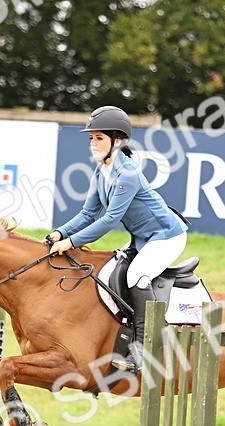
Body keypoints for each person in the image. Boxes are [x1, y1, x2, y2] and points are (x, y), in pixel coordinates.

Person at [47, 105, 188, 373]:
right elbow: (88, 213)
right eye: (92, 138)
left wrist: (70, 243)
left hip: (166, 236)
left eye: (99, 138)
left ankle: (145, 349)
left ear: (118, 140)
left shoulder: (128, 174)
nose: (93, 143)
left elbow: (110, 219)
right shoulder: (101, 171)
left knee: (136, 277)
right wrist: (59, 233)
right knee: (111, 271)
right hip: (141, 238)